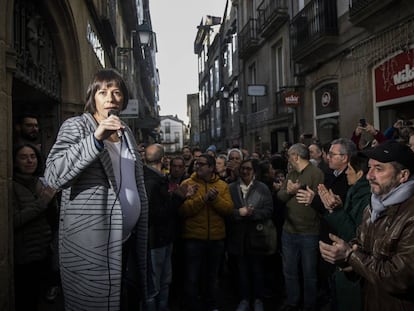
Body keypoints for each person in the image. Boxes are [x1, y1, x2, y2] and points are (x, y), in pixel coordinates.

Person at [44, 68, 148, 310]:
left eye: (116, 92)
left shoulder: (127, 132)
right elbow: (53, 176)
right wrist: (96, 138)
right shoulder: (77, 126)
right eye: (103, 92)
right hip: (92, 246)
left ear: (123, 99)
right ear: (93, 97)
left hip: (126, 242)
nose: (110, 97)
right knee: (93, 303)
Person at [319, 140, 414, 311]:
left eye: (378, 168)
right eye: (369, 167)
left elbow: (400, 278)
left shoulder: (410, 215)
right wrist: (344, 260)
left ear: (403, 176)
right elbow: (361, 245)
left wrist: (350, 256)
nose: (369, 175)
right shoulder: (374, 206)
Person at [143, 144, 195, 311]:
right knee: (155, 286)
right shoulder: (152, 182)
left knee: (164, 282)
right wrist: (179, 197)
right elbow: (158, 213)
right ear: (164, 160)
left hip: (163, 238)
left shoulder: (154, 179)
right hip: (155, 240)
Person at [179, 154, 234, 310]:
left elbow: (229, 210)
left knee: (212, 276)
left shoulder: (222, 186)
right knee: (192, 277)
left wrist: (215, 200)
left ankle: (211, 304)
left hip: (216, 239)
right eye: (197, 164)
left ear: (211, 168)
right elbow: (182, 211)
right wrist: (203, 199)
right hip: (193, 238)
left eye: (202, 164)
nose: (198, 166)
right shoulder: (187, 184)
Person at [319, 153, 371, 311]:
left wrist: (336, 211)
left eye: (349, 168)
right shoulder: (355, 192)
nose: (346, 172)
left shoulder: (366, 198)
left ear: (360, 174)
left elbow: (354, 235)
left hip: (355, 269)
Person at [277, 143, 324, 311]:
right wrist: (289, 191)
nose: (288, 159)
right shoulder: (291, 173)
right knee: (289, 271)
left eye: (289, 155)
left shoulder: (316, 174)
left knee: (309, 273)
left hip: (309, 232)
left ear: (296, 156)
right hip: (289, 231)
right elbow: (280, 197)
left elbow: (322, 202)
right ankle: (292, 301)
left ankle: (309, 305)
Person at [13, 143, 57, 311]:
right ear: (15, 162)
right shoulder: (10, 186)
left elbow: (51, 220)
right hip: (23, 258)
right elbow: (15, 220)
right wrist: (42, 202)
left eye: (32, 157)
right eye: (23, 157)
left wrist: (53, 200)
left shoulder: (41, 182)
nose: (29, 161)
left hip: (44, 253)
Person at [227, 159, 275, 311]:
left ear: (254, 171)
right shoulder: (231, 188)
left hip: (257, 237)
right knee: (242, 271)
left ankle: (258, 299)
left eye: (248, 169)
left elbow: (269, 210)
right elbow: (226, 211)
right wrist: (238, 214)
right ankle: (244, 299)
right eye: (242, 168)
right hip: (238, 237)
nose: (245, 171)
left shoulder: (262, 188)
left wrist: (253, 214)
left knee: (257, 270)